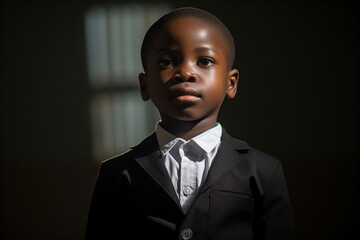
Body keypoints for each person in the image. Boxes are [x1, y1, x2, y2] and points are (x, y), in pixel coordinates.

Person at [85, 7, 295, 240]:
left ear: (231, 82)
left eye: (204, 61)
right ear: (144, 85)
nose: (185, 72)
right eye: (166, 62)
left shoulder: (264, 171)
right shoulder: (116, 173)